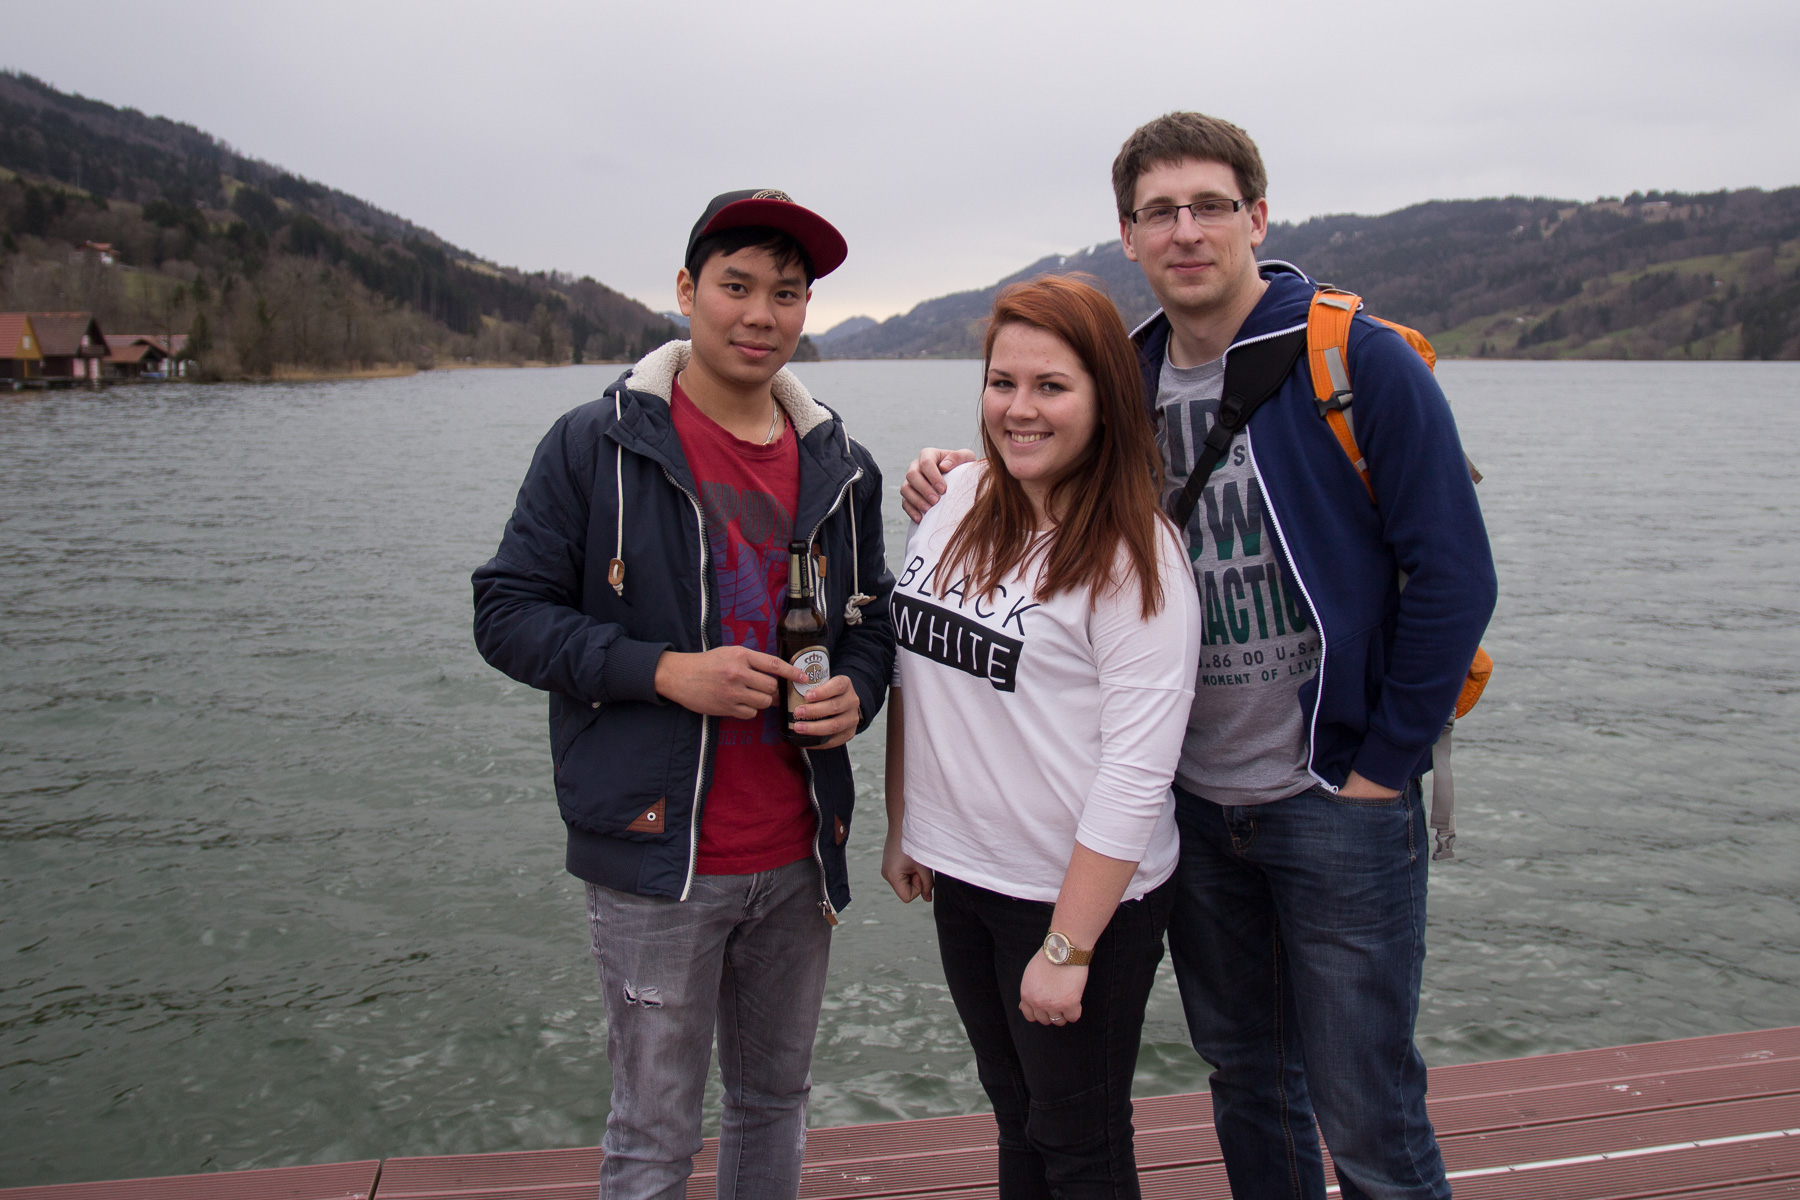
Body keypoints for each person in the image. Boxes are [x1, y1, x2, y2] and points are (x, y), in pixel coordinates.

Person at [901, 115, 1497, 1200]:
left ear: (1257, 218)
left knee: (1367, 1103)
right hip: (1187, 800)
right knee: (1249, 1079)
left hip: (1329, 791)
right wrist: (957, 473)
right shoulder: (1123, 372)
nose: (1186, 230)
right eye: (1158, 212)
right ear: (1127, 234)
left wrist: (1379, 767)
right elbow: (1039, 465)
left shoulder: (1354, 361)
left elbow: (1455, 575)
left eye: (1210, 206)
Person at [472, 189, 895, 1200]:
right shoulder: (594, 445)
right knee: (653, 1132)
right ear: (685, 291)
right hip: (656, 854)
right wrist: (664, 672)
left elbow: (871, 622)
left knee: (774, 1102)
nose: (760, 314)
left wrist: (858, 692)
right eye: (735, 286)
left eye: (785, 294)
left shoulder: (843, 466)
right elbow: (506, 614)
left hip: (799, 847)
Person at [882, 274, 1201, 1200]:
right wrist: (904, 823)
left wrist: (1068, 948)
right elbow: (914, 676)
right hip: (963, 876)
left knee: (1079, 1143)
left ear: (1106, 399)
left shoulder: (1135, 557)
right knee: (1016, 1116)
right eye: (1002, 382)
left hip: (1076, 898)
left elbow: (1137, 773)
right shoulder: (953, 502)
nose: (1019, 409)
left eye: (1051, 386)